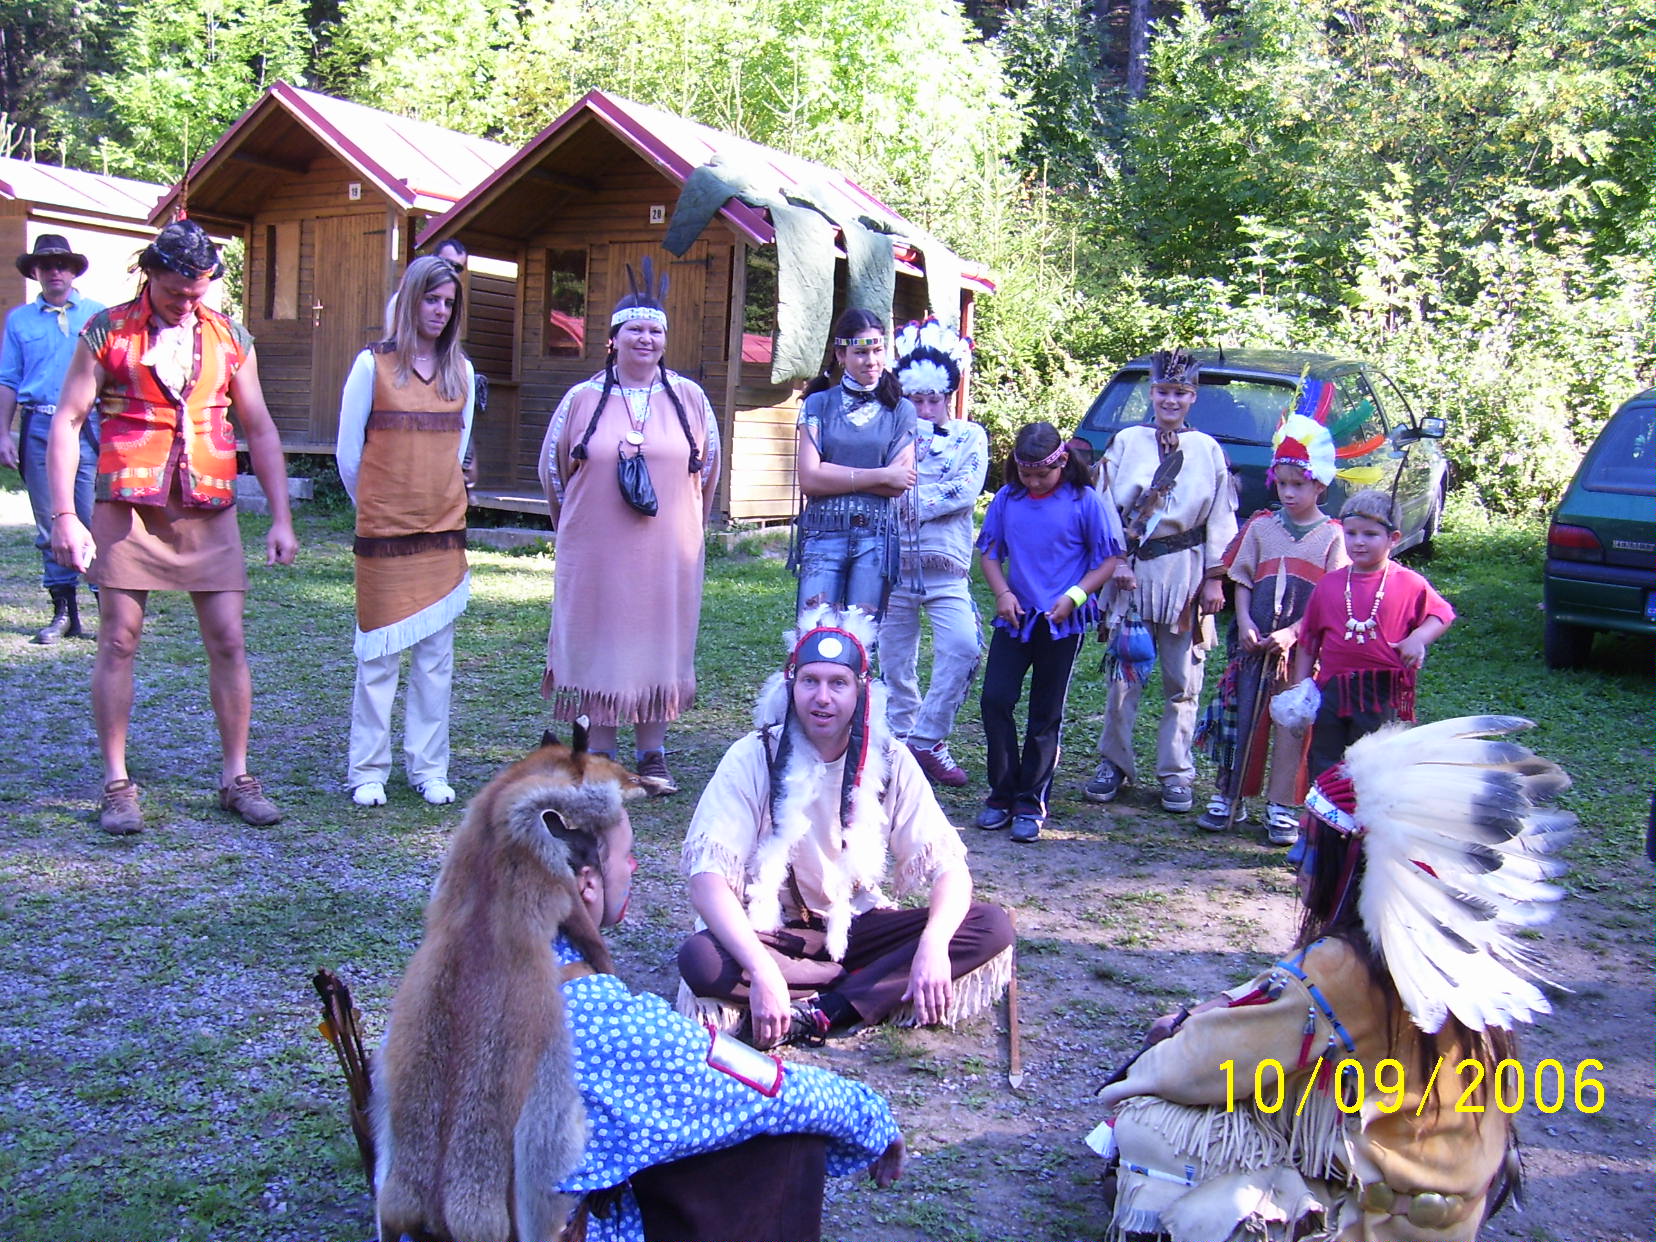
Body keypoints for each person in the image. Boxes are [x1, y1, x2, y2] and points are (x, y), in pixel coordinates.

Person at [373, 732, 905, 1242]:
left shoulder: (438, 973)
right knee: (782, 1139)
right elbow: (761, 1087)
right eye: (625, 856)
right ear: (586, 883)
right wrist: (872, 1119)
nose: (634, 867)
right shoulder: (593, 1014)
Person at [1092, 715, 1573, 1242]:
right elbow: (1266, 1004)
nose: (1296, 857)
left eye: (1312, 843)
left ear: (1355, 862)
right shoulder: (1444, 944)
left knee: (1149, 1123)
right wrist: (1208, 1011)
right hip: (1444, 1215)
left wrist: (1150, 1059)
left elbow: (1203, 1065)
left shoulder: (1343, 966)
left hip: (1378, 1224)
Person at [48, 219, 297, 836]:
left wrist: (282, 517)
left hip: (208, 506)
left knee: (229, 640)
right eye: (176, 291)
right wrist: (64, 516)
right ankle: (116, 785)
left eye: (198, 291)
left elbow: (260, 426)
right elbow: (69, 420)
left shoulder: (230, 337)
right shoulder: (107, 330)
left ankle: (237, 778)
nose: (187, 302)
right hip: (127, 505)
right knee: (118, 639)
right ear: (150, 274)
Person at [678, 605, 1015, 1049]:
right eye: (810, 682)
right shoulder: (753, 755)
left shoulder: (891, 759)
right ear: (791, 687)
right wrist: (761, 968)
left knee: (990, 925)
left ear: (861, 692)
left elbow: (950, 869)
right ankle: (861, 986)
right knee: (702, 959)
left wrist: (933, 945)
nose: (822, 698)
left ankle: (825, 1009)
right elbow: (706, 880)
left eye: (838, 683)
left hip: (858, 924)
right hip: (774, 931)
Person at [539, 257, 721, 794]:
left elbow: (707, 470)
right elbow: (554, 470)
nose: (646, 339)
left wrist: (687, 528)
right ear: (613, 339)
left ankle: (652, 754)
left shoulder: (689, 399)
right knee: (600, 639)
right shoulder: (582, 400)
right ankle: (601, 756)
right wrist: (577, 528)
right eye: (635, 329)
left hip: (666, 552)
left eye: (655, 331)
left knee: (658, 641)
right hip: (597, 550)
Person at [336, 255, 474, 808]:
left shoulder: (461, 372)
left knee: (436, 660)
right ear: (411, 299)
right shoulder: (371, 365)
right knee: (378, 658)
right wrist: (380, 509)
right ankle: (367, 769)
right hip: (384, 535)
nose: (440, 310)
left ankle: (428, 767)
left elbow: (456, 454)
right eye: (431, 299)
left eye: (448, 302)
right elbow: (349, 456)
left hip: (443, 534)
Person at [1085, 347, 1238, 814]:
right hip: (1131, 573)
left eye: (1180, 393)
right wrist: (1117, 562)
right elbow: (1103, 506)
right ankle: (1114, 763)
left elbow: (1220, 517)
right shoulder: (1127, 441)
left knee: (1183, 680)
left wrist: (1214, 580)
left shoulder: (1207, 450)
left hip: (1185, 575)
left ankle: (1176, 772)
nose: (1171, 401)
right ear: (1151, 394)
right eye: (1163, 391)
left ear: (1193, 397)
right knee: (1124, 676)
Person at [1196, 414, 1348, 844]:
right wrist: (1244, 621)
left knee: (1291, 724)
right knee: (1243, 717)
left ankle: (1281, 804)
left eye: (1298, 485)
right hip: (1253, 645)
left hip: (1300, 653)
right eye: (1281, 484)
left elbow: (1329, 597)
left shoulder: (1333, 537)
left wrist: (1293, 634)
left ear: (1319, 485)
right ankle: (1230, 793)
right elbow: (1242, 579)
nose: (1288, 493)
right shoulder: (1262, 527)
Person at [975, 423, 1123, 843]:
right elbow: (990, 554)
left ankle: (1030, 801)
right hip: (1016, 617)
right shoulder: (1008, 499)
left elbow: (1108, 560)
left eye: (1043, 474)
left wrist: (1075, 597)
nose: (1034, 482)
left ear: (1062, 462)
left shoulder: (1084, 501)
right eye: (1027, 474)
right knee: (995, 699)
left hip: (1061, 621)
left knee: (1045, 712)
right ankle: (1002, 792)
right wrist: (1002, 593)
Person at [1284, 488, 1454, 788]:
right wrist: (1301, 689)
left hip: (1382, 692)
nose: (1358, 542)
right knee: (1325, 761)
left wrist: (1417, 638)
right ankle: (1325, 813)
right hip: (1332, 689)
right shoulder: (1329, 584)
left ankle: (1366, 816)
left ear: (1393, 538)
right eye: (1351, 533)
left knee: (1374, 765)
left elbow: (1441, 614)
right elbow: (1309, 641)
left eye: (1370, 534)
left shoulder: (1409, 583)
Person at [881, 316, 987, 787]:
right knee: (893, 659)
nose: (924, 409)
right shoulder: (889, 434)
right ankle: (901, 738)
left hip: (946, 569)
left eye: (932, 399)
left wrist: (908, 499)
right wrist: (897, 488)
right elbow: (880, 486)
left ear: (948, 396)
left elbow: (964, 491)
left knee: (963, 646)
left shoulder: (971, 436)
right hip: (893, 565)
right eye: (915, 400)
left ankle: (927, 737)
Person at [0, 235, 105, 644]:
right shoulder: (20, 321)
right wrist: (3, 433)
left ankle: (108, 610)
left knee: (92, 518)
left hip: (88, 427)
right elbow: (8, 379)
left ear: (74, 271)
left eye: (62, 264)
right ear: (35, 272)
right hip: (39, 426)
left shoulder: (97, 315)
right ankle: (64, 613)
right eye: (46, 265)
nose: (55, 272)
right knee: (51, 521)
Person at [793, 307, 918, 617]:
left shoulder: (901, 410)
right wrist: (881, 475)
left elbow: (898, 483)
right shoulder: (818, 404)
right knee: (814, 630)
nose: (871, 360)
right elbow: (809, 479)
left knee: (862, 637)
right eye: (861, 352)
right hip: (822, 534)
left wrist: (830, 473)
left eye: (877, 350)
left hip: (876, 540)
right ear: (841, 355)